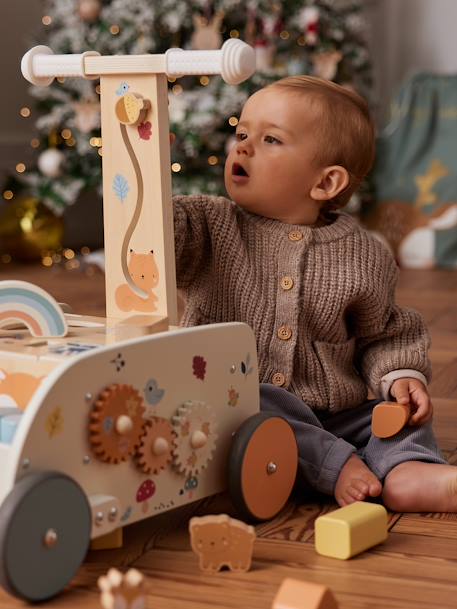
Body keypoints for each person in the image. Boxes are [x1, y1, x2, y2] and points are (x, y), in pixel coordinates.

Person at [173, 75, 454, 512]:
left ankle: (408, 471)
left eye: (270, 139)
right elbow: (154, 231)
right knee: (251, 397)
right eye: (242, 133)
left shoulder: (364, 253)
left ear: (325, 183)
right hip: (241, 409)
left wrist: (401, 378)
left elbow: (385, 335)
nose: (242, 147)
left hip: (335, 414)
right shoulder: (208, 225)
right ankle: (335, 465)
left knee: (392, 416)